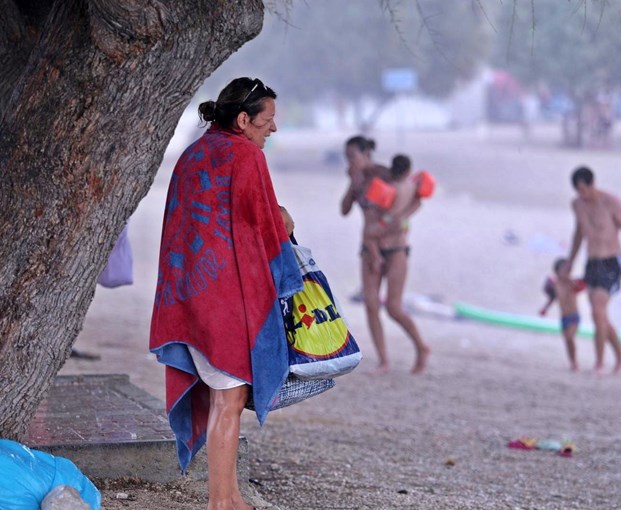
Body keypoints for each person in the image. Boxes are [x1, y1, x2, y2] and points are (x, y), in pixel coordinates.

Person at [150, 77, 303, 510]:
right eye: (268, 120)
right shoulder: (246, 156)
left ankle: (232, 496)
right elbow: (266, 228)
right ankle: (221, 503)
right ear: (243, 120)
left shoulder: (192, 155)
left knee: (225, 398)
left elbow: (199, 224)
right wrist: (286, 219)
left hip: (188, 298)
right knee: (229, 402)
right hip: (227, 303)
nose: (272, 130)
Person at [340, 137, 430, 375]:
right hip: (369, 247)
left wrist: (400, 218)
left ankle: (421, 348)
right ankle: (384, 361)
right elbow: (345, 210)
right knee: (371, 303)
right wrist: (352, 183)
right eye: (346, 156)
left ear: (367, 153)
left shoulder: (386, 174)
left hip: (395, 246)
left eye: (353, 156)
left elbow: (417, 198)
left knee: (393, 307)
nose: (349, 161)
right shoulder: (357, 179)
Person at [563, 166, 621, 375]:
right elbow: (579, 233)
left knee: (598, 310)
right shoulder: (577, 205)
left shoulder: (611, 203)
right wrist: (570, 260)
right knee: (600, 314)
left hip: (612, 262)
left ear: (591, 184)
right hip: (592, 262)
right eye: (578, 191)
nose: (582, 195)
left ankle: (599, 363)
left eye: (584, 190)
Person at [539, 258, 586, 372]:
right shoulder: (555, 285)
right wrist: (545, 309)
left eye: (567, 270)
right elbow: (553, 298)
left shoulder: (571, 283)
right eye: (563, 270)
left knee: (570, 338)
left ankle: (575, 363)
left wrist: (569, 279)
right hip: (564, 317)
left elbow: (580, 287)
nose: (566, 273)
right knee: (567, 340)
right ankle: (573, 362)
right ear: (557, 271)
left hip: (574, 316)